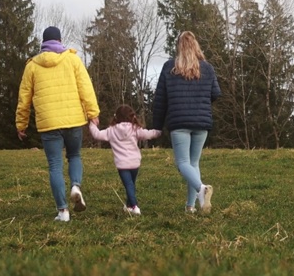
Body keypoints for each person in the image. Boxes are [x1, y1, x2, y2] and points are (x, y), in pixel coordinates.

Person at [15, 26, 100, 222]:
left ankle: (63, 212)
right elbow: (85, 87)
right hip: (73, 120)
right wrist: (93, 113)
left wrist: (21, 123)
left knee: (55, 165)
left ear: (43, 43)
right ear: (60, 40)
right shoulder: (72, 59)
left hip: (49, 123)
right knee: (75, 155)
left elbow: (24, 98)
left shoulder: (32, 66)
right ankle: (75, 186)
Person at [150, 30, 221, 213]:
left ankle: (202, 189)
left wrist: (156, 126)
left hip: (179, 122)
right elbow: (216, 94)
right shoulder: (207, 68)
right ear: (196, 45)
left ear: (179, 47)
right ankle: (191, 206)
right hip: (201, 123)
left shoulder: (169, 67)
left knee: (182, 163)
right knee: (193, 163)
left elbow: (160, 99)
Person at [88, 104, 162, 215]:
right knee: (131, 184)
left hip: (122, 165)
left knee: (128, 185)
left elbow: (97, 135)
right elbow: (148, 134)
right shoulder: (134, 128)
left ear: (116, 117)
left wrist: (92, 124)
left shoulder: (111, 131)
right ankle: (128, 206)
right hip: (135, 163)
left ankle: (135, 206)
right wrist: (159, 131)